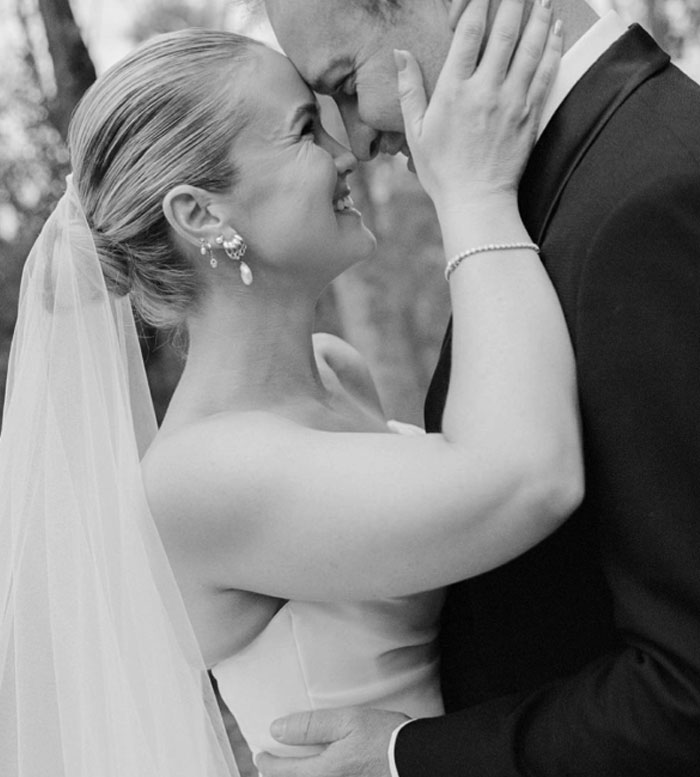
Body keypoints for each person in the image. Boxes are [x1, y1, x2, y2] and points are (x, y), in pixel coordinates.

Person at [0, 7, 579, 776]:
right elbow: (526, 479)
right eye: (307, 128)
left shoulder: (337, 369)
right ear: (201, 214)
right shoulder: (199, 475)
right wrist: (472, 193)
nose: (347, 152)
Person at [256, 0, 700, 774]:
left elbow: (688, 684)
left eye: (347, 83)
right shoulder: (578, 181)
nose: (356, 137)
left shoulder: (644, 202)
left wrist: (410, 756)